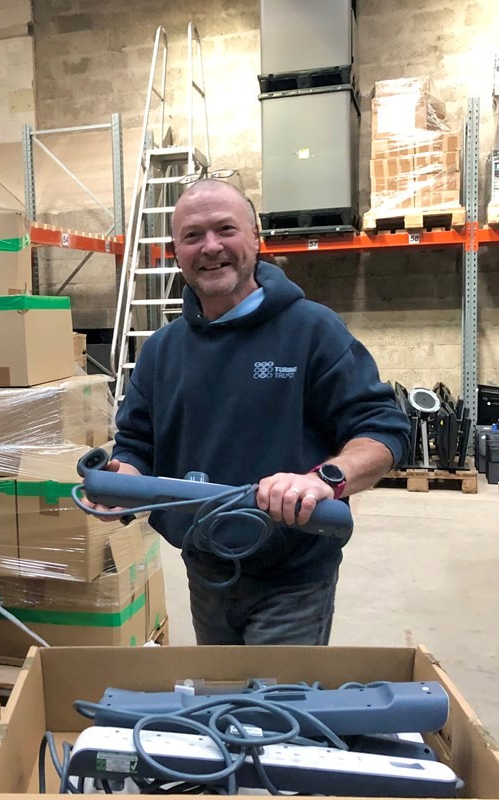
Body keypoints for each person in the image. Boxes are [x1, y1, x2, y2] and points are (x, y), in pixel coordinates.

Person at [99, 179, 410, 646]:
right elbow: (138, 444)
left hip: (293, 578)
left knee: (275, 711)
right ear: (175, 251)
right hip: (205, 569)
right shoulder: (161, 352)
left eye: (225, 229)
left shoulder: (312, 330)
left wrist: (323, 479)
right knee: (223, 706)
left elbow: (382, 430)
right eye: (192, 236)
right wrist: (120, 478)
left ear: (255, 236)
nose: (210, 247)